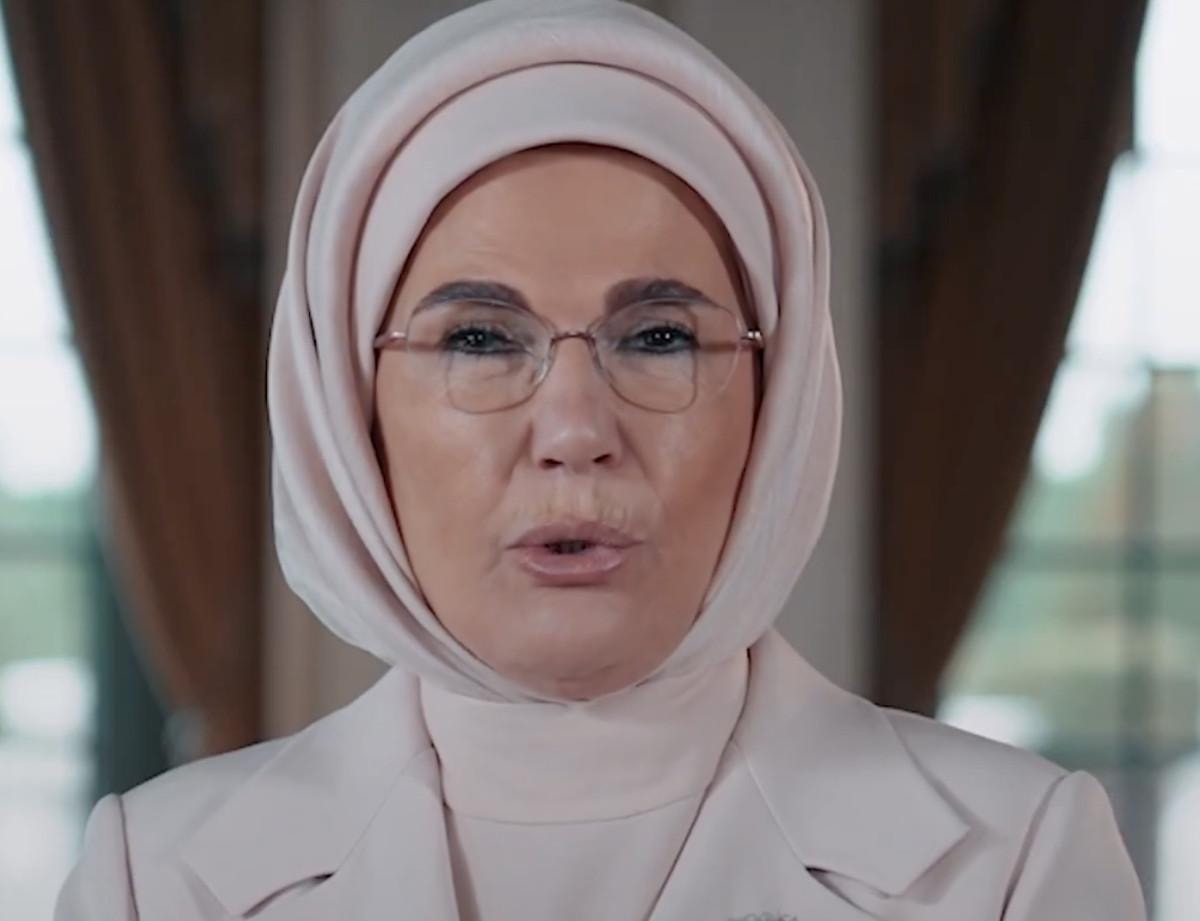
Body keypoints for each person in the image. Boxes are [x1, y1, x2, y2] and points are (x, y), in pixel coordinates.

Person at [54, 1, 1148, 918]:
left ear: (779, 403)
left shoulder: (1018, 862)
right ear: (349, 409)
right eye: (478, 339)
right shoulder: (150, 880)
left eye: (660, 337)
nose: (575, 429)